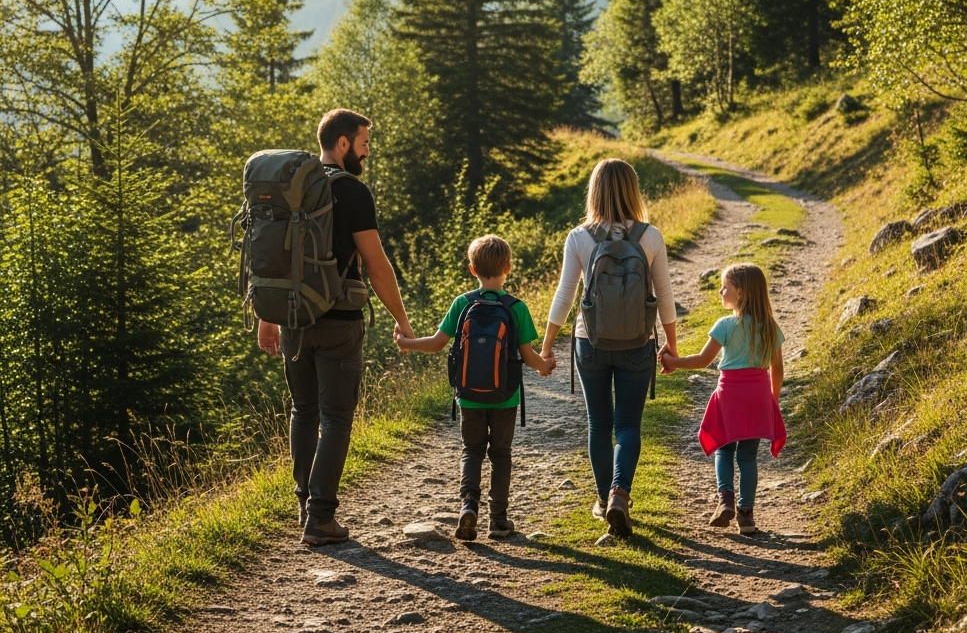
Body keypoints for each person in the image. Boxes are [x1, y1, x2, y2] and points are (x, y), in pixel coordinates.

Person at [258, 108, 415, 547]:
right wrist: (401, 321)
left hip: (292, 319)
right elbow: (376, 266)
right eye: (363, 143)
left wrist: (266, 319)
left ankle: (305, 506)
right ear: (343, 143)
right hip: (339, 322)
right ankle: (321, 518)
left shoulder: (293, 190)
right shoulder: (353, 192)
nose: (366, 151)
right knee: (337, 417)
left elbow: (274, 258)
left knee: (303, 412)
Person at [539, 158, 677, 540]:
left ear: (594, 190)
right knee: (628, 425)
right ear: (633, 190)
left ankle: (603, 500)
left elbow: (565, 294)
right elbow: (664, 295)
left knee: (599, 424)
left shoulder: (580, 236)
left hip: (591, 342)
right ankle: (620, 492)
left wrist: (547, 347)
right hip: (638, 344)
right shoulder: (650, 236)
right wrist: (671, 345)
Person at [395, 234, 555, 541]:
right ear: (508, 267)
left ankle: (468, 506)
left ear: (472, 270)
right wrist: (546, 366)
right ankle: (498, 521)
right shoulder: (516, 308)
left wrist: (406, 343)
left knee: (471, 450)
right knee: (501, 454)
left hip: (468, 397)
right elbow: (529, 357)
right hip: (505, 397)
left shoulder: (462, 303)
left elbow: (436, 344)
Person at [659, 262, 786, 535]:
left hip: (730, 395)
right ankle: (747, 515)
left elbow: (703, 360)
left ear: (740, 293)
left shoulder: (726, 325)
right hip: (758, 397)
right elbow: (778, 370)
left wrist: (672, 361)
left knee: (724, 448)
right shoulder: (770, 328)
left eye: (725, 287)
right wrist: (771, 401)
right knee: (749, 457)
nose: (720, 291)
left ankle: (725, 498)